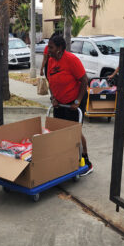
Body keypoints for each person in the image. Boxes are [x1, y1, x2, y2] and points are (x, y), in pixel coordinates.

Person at [46, 35, 93, 176]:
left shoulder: (71, 60)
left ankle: (86, 161)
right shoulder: (51, 61)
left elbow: (84, 80)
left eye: (51, 47)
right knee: (60, 131)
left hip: (74, 101)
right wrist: (53, 98)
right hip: (59, 103)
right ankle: (66, 159)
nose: (48, 50)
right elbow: (50, 81)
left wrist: (77, 101)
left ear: (59, 48)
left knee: (74, 132)